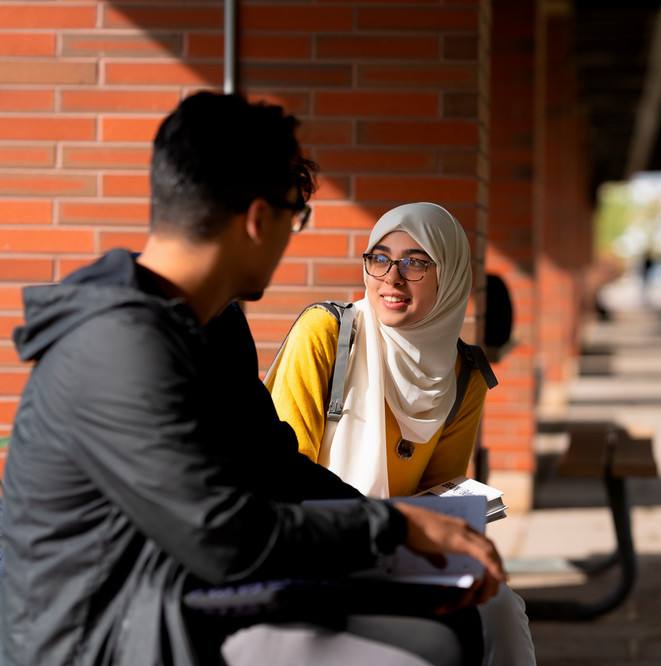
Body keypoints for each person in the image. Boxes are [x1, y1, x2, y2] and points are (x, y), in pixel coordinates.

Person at [0, 92, 505, 666]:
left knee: (455, 623)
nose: (296, 232)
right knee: (426, 650)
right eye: (297, 213)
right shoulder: (117, 345)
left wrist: (413, 524)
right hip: (107, 632)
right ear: (259, 219)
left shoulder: (212, 325)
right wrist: (392, 528)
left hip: (179, 589)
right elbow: (224, 536)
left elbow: (276, 468)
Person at [266, 202, 536, 665]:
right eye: (379, 258)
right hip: (317, 546)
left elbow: (440, 493)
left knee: (502, 608)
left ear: (448, 277)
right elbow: (281, 477)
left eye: (415, 262)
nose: (390, 277)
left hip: (403, 550)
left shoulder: (464, 376)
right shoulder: (326, 334)